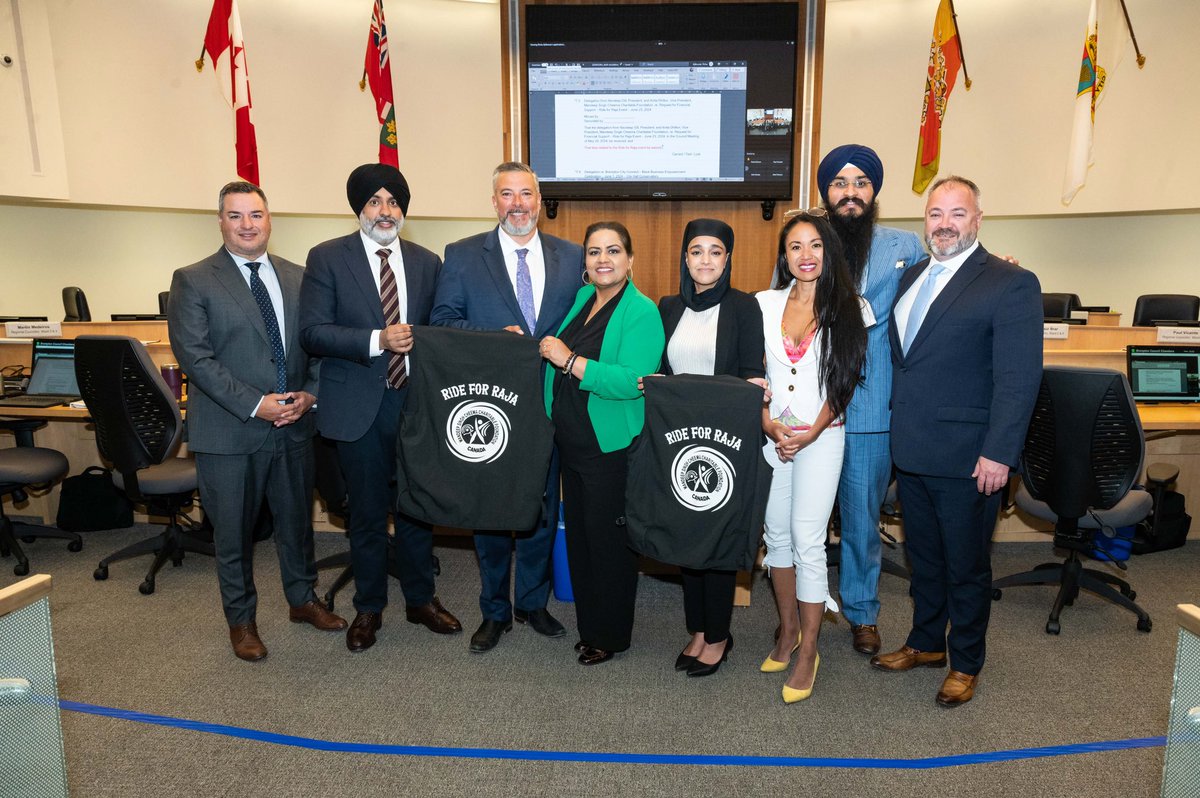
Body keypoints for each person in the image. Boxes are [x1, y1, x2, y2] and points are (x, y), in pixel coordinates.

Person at [872, 176, 1041, 707]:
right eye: (935, 214)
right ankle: (926, 643)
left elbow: (1018, 378)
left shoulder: (1010, 282)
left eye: (957, 214)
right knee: (924, 558)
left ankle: (966, 661)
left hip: (971, 458)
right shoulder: (913, 276)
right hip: (914, 449)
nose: (944, 224)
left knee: (966, 565)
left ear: (978, 220)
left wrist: (999, 452)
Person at [168, 181, 346, 662]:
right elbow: (197, 361)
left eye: (256, 215)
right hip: (230, 430)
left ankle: (302, 600)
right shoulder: (193, 279)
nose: (247, 225)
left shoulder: (299, 276)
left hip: (294, 425)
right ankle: (241, 621)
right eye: (236, 216)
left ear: (270, 220)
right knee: (232, 534)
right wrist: (256, 403)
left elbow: (319, 344)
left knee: (297, 525)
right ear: (220, 221)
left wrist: (310, 393)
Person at [299, 163, 461, 654]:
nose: (384, 211)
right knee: (368, 515)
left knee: (416, 511)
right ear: (359, 209)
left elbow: (443, 330)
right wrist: (376, 339)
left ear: (403, 211)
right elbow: (312, 332)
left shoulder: (428, 261)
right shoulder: (327, 258)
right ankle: (369, 607)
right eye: (374, 202)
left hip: (415, 407)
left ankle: (420, 600)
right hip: (358, 406)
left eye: (393, 202)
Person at [431, 162, 583, 653]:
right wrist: (495, 340)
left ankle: (532, 603)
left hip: (552, 404)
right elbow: (444, 322)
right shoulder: (461, 255)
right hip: (490, 407)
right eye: (506, 195)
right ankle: (494, 610)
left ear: (540, 201)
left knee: (541, 509)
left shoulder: (572, 255)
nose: (517, 204)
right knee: (491, 509)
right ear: (493, 202)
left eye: (526, 194)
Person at [817, 144, 926, 657]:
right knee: (803, 519)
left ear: (875, 190)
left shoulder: (906, 244)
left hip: (871, 403)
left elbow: (943, 292)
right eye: (840, 183)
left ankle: (862, 611)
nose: (851, 192)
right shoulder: (805, 240)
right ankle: (802, 611)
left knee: (862, 517)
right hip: (808, 408)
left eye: (861, 182)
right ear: (826, 192)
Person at [757, 210, 870, 702]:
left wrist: (809, 433)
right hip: (773, 436)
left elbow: (843, 384)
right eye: (795, 247)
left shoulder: (852, 307)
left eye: (815, 245)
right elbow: (754, 373)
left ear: (829, 252)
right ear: (784, 256)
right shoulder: (763, 304)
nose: (806, 256)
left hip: (822, 438)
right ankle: (787, 632)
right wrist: (767, 422)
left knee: (807, 537)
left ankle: (809, 652)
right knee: (775, 534)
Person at [539, 221, 664, 666]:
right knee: (582, 541)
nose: (603, 260)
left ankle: (609, 635)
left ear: (630, 260)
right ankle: (590, 625)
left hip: (609, 447)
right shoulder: (582, 299)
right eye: (594, 252)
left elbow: (633, 381)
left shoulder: (642, 311)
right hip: (571, 442)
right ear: (586, 264)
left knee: (608, 546)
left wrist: (570, 360)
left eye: (613, 251)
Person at [656, 218, 764, 677]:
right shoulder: (666, 306)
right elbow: (659, 368)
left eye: (715, 251)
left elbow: (748, 376)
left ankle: (718, 635)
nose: (705, 260)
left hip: (726, 445)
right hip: (679, 443)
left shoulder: (745, 307)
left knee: (717, 542)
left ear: (728, 258)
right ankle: (696, 630)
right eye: (696, 251)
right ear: (685, 257)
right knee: (687, 540)